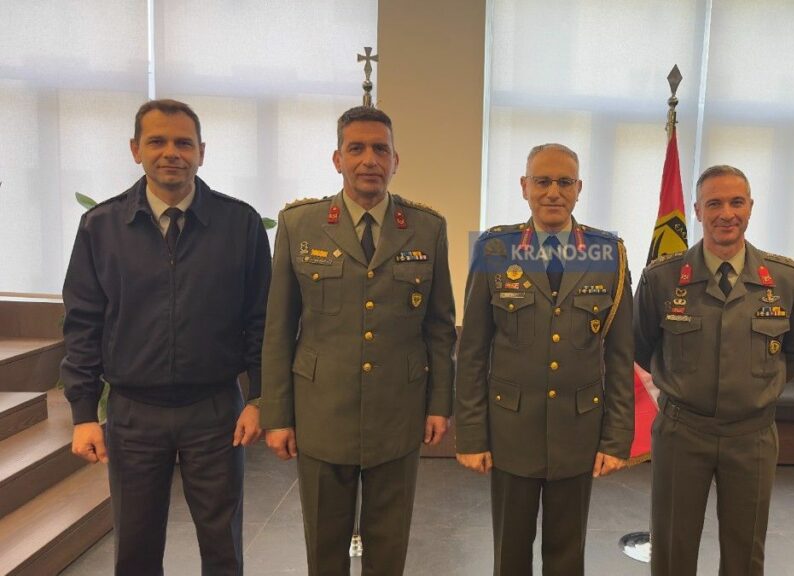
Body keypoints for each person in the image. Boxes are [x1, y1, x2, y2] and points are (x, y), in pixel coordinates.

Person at [61, 99, 271, 575]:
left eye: (183, 143)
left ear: (202, 152)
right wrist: (83, 413)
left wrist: (260, 397)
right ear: (136, 149)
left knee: (223, 549)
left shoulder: (239, 225)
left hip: (215, 411)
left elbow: (261, 319)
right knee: (135, 550)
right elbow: (84, 323)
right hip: (134, 414)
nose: (171, 152)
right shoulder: (101, 226)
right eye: (157, 141)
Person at [260, 105, 457, 575]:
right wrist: (277, 415)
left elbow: (439, 326)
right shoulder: (299, 225)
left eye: (380, 150)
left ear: (395, 160)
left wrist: (439, 404)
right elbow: (279, 328)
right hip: (321, 411)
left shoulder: (427, 228)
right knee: (324, 547)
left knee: (389, 546)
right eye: (357, 149)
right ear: (338, 159)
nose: (369, 160)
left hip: (398, 410)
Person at [455, 143, 634, 575]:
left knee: (567, 555)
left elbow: (621, 355)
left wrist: (615, 440)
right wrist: (472, 436)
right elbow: (473, 351)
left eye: (564, 182)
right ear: (524, 186)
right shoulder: (494, 250)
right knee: (510, 553)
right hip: (511, 429)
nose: (553, 192)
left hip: (578, 430)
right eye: (542, 181)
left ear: (579, 189)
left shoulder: (608, 253)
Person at [634, 164, 794, 576]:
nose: (726, 214)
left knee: (745, 552)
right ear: (697, 210)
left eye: (736, 202)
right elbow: (641, 345)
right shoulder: (662, 278)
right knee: (672, 547)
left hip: (752, 435)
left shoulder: (786, 279)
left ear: (750, 207)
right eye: (714, 203)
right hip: (682, 433)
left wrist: (756, 388)